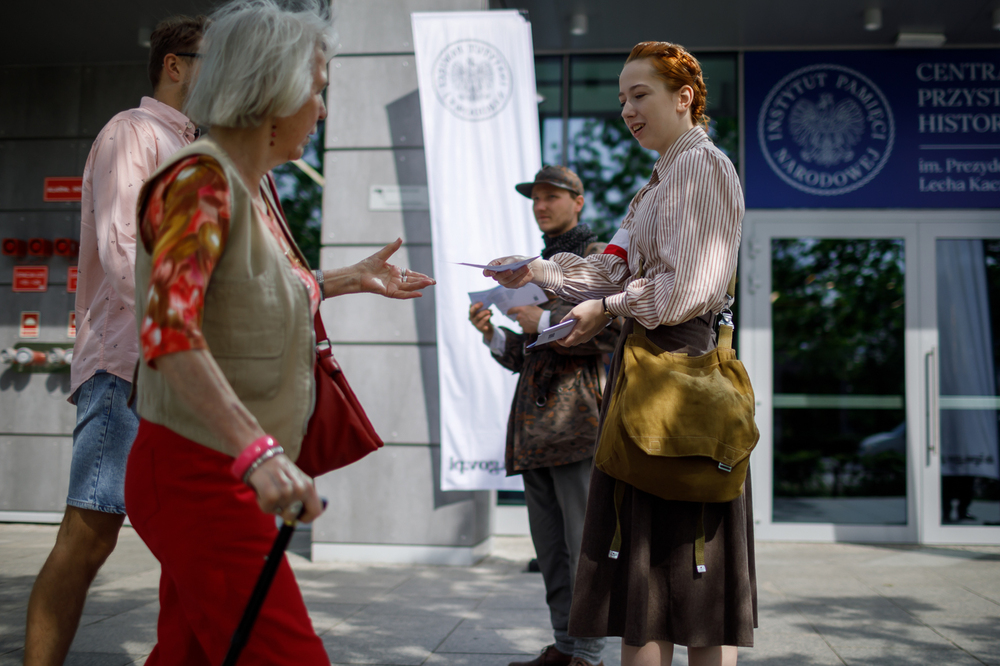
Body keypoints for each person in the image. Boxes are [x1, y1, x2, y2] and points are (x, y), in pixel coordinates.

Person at [122, 1, 435, 664]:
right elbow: (170, 333)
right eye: (318, 90)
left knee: (191, 654)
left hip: (219, 469)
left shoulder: (247, 188)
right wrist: (259, 454)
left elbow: (249, 293)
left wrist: (350, 278)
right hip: (201, 472)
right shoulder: (201, 184)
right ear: (276, 90)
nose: (321, 108)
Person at [485, 42, 756, 666]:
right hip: (651, 385)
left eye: (641, 95)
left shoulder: (701, 168)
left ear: (683, 98)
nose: (628, 111)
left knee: (691, 585)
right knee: (653, 586)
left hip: (681, 381)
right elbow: (610, 269)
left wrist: (605, 308)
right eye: (622, 99)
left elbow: (687, 291)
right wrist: (539, 270)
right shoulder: (660, 179)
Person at [24, 15, 206, 666]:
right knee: (88, 534)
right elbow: (125, 249)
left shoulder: (192, 146)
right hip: (129, 365)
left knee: (190, 538)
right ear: (174, 65)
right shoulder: (134, 133)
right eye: (208, 58)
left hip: (175, 368)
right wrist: (186, 339)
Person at [468, 166, 618, 666]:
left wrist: (546, 319)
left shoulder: (598, 260)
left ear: (578, 201)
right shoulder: (532, 266)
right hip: (533, 432)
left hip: (579, 426)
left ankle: (589, 655)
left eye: (552, 196)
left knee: (583, 549)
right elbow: (530, 354)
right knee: (551, 552)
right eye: (535, 197)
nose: (540, 205)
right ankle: (566, 644)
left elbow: (611, 334)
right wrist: (493, 332)